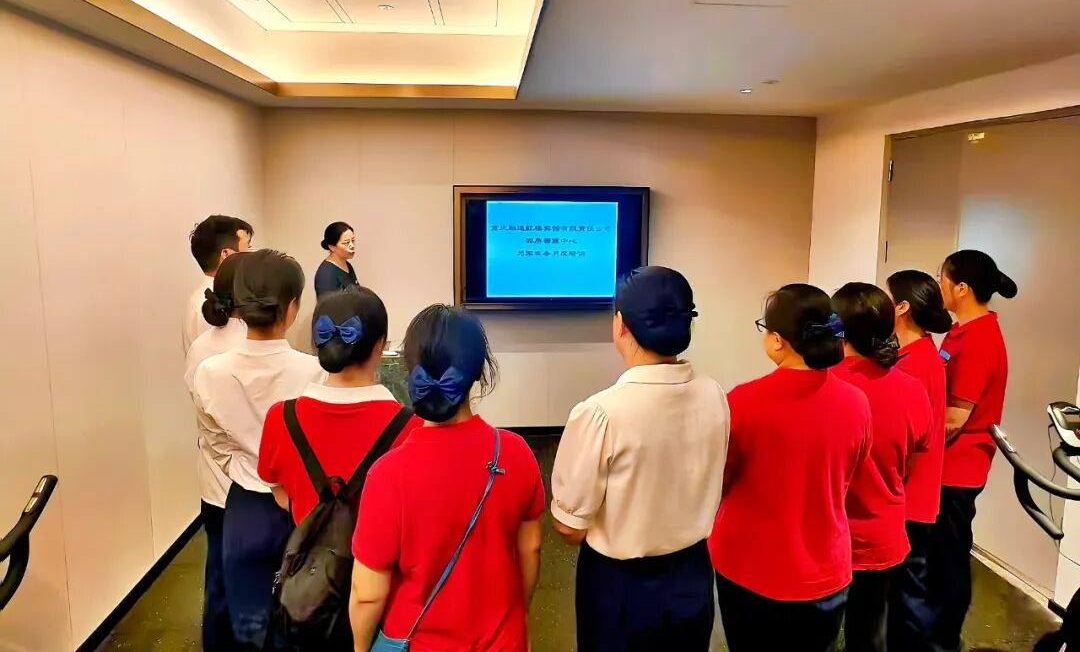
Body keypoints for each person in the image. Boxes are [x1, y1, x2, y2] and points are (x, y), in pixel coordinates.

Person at [550, 266, 729, 652]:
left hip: (620, 589)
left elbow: (569, 525)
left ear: (621, 325)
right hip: (694, 576)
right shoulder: (715, 395)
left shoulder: (600, 413)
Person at [349, 305, 544, 651]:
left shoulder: (387, 474)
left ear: (410, 372)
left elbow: (367, 594)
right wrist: (520, 617)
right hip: (502, 640)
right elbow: (530, 549)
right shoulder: (517, 454)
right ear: (479, 372)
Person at [709, 283, 871, 652]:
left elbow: (719, 480)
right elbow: (853, 472)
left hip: (749, 568)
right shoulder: (857, 402)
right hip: (825, 568)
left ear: (778, 340)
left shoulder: (743, 401)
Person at [193, 249, 324, 651]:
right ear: (292, 307)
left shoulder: (210, 371)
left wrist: (246, 466)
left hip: (244, 504)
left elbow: (215, 444)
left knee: (247, 621)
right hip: (302, 505)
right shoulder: (315, 371)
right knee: (303, 616)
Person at [258, 287, 422, 524]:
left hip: (310, 545)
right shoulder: (413, 428)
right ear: (380, 345)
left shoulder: (281, 417)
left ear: (318, 343)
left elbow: (281, 494)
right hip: (382, 547)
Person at [832, 283, 932, 652]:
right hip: (882, 536)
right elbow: (913, 458)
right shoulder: (912, 389)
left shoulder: (824, 384)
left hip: (828, 538)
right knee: (869, 634)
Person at [929, 250, 1017, 652]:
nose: (938, 285)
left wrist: (911, 444)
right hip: (946, 466)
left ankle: (944, 640)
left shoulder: (980, 340)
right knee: (938, 556)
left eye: (942, 278)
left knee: (949, 557)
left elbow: (954, 420)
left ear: (961, 288)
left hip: (959, 470)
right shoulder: (960, 331)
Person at [182, 251, 248, 652]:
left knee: (219, 575)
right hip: (255, 487)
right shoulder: (256, 349)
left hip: (215, 483)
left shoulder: (200, 348)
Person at [885, 270, 952, 652]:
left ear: (902, 307)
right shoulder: (916, 353)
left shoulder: (915, 365)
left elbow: (906, 443)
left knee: (909, 599)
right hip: (913, 495)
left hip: (911, 498)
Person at [183, 215, 253, 353]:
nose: (252, 254)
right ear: (226, 254)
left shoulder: (202, 298)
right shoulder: (213, 305)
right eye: (248, 247)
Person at [314, 222, 359, 299]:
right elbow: (328, 304)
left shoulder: (347, 265)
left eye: (353, 241)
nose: (352, 246)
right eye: (346, 243)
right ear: (332, 247)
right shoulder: (326, 274)